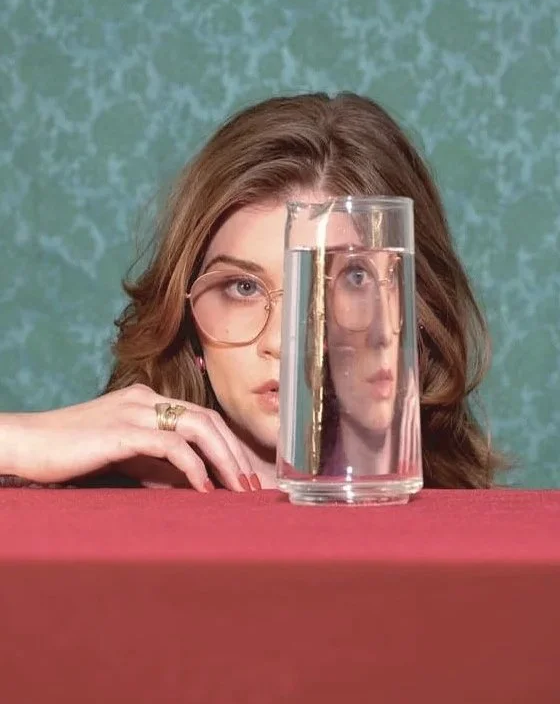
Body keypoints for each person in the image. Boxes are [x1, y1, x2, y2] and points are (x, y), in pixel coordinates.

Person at [0, 92, 507, 490]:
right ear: (188, 328)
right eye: (242, 287)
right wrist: (15, 439)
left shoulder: (488, 547)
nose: (287, 345)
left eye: (349, 279)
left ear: (414, 311)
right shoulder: (84, 528)